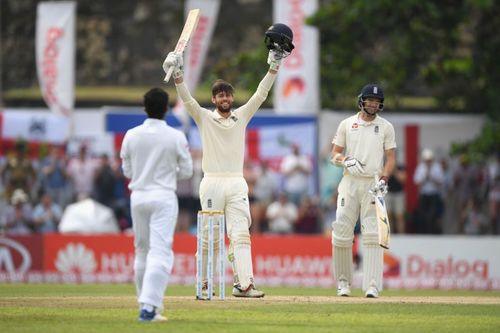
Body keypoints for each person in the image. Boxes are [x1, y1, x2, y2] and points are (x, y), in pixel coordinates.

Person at [162, 24, 292, 298]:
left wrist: (273, 68)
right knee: (209, 238)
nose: (225, 98)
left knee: (240, 234)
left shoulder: (241, 116)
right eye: (220, 95)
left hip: (236, 182)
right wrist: (177, 72)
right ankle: (205, 285)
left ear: (232, 98)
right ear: (214, 99)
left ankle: (244, 284)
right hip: (211, 182)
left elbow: (260, 95)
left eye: (228, 95)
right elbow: (186, 100)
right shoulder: (204, 117)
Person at [120, 88, 193, 322]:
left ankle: (146, 304)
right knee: (160, 251)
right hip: (162, 196)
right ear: (166, 109)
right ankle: (149, 308)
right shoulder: (176, 136)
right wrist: (168, 173)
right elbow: (188, 171)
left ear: (145, 107)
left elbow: (127, 170)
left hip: (138, 196)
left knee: (142, 251)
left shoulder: (131, 134)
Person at [329, 84, 396, 298]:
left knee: (373, 234)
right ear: (362, 100)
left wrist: (384, 179)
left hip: (373, 184)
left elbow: (391, 158)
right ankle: (343, 283)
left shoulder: (386, 126)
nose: (373, 104)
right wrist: (345, 160)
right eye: (370, 100)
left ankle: (372, 285)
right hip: (349, 182)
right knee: (341, 230)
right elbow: (334, 155)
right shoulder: (347, 124)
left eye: (377, 101)